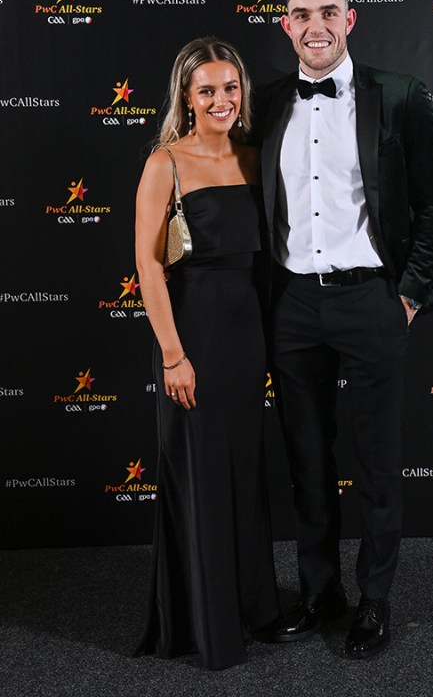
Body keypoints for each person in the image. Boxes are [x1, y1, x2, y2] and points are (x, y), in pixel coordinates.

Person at [252, 0, 433, 659]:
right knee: (307, 459)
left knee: (376, 463)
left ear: (350, 18)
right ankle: (319, 592)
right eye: (302, 14)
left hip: (371, 299)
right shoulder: (267, 103)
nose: (316, 27)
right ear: (286, 24)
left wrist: (408, 295)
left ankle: (374, 600)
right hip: (293, 308)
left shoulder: (399, 96)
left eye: (328, 12)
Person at [134, 37, 279, 670]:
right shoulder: (166, 162)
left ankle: (252, 611)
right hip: (192, 337)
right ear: (186, 98)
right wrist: (172, 354)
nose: (220, 100)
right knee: (199, 479)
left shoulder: (255, 156)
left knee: (243, 476)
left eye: (230, 87)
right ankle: (207, 624)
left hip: (248, 339)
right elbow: (147, 261)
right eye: (206, 90)